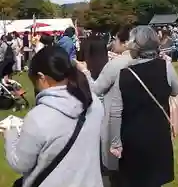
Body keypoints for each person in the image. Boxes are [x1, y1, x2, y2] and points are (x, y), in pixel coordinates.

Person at [3, 45, 104, 187]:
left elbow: (20, 164)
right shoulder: (94, 102)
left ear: (41, 77)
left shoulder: (39, 117)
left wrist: (10, 135)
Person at [103, 26, 178, 187]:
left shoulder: (124, 74)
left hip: (132, 138)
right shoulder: (165, 67)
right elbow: (176, 91)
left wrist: (115, 142)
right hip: (158, 135)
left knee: (133, 180)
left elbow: (116, 112)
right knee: (154, 180)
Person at [82, 26, 132, 186]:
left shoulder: (115, 65)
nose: (113, 43)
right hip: (138, 120)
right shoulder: (150, 62)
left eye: (116, 40)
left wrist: (85, 73)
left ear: (124, 43)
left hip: (114, 117)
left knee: (113, 165)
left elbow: (96, 89)